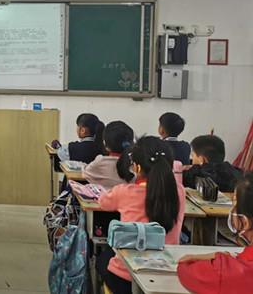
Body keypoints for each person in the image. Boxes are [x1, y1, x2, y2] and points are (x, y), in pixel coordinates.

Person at [96, 137, 186, 294]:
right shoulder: (179, 192)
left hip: (127, 279)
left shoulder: (123, 192)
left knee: (102, 259)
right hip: (167, 276)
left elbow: (103, 202)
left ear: (136, 167)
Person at [177, 172, 253, 293]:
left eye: (234, 204)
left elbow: (185, 268)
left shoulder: (229, 273)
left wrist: (219, 259)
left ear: (245, 222)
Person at [83, 121, 134, 190]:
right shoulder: (135, 165)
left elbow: (86, 174)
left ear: (105, 145)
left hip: (103, 196)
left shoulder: (101, 161)